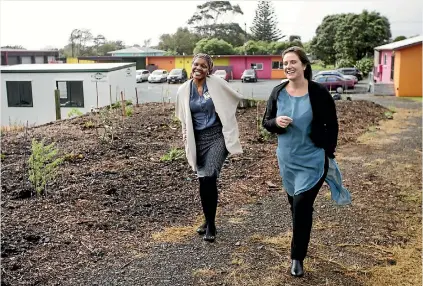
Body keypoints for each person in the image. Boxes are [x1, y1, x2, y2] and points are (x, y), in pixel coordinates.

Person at [262, 46, 351, 277]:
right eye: (285, 63)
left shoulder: (319, 92)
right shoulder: (278, 92)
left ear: (304, 65)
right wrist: (276, 123)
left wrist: (328, 152)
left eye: (293, 62)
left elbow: (332, 125)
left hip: (312, 161)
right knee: (296, 206)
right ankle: (301, 236)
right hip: (287, 161)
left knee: (301, 206)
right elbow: (266, 122)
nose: (288, 66)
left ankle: (297, 257)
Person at [175, 53, 243, 242]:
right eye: (196, 64)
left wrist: (229, 115)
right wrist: (186, 140)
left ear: (209, 69)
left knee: (210, 176)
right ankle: (208, 218)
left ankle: (211, 225)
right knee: (203, 180)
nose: (199, 68)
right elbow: (183, 118)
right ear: (191, 66)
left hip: (217, 137)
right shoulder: (183, 90)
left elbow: (235, 98)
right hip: (198, 140)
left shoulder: (216, 84)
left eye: (203, 66)